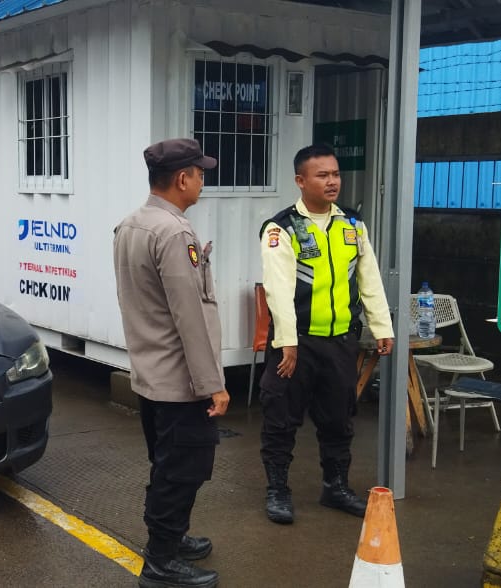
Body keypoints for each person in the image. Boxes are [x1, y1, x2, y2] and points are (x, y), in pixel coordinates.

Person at [114, 138, 230, 588]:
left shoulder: (131, 224)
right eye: (199, 174)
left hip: (150, 374)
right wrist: (213, 383)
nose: (202, 181)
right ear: (182, 179)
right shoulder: (175, 233)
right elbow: (190, 315)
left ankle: (172, 537)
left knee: (168, 465)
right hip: (182, 382)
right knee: (182, 471)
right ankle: (161, 562)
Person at [257, 144, 395, 524]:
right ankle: (278, 491)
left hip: (339, 343)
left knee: (339, 419)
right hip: (296, 344)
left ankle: (335, 487)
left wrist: (381, 326)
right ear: (301, 181)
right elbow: (278, 291)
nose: (332, 181)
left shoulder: (353, 225)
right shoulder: (281, 229)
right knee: (281, 420)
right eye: (322, 175)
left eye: (335, 174)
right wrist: (287, 343)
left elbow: (369, 279)